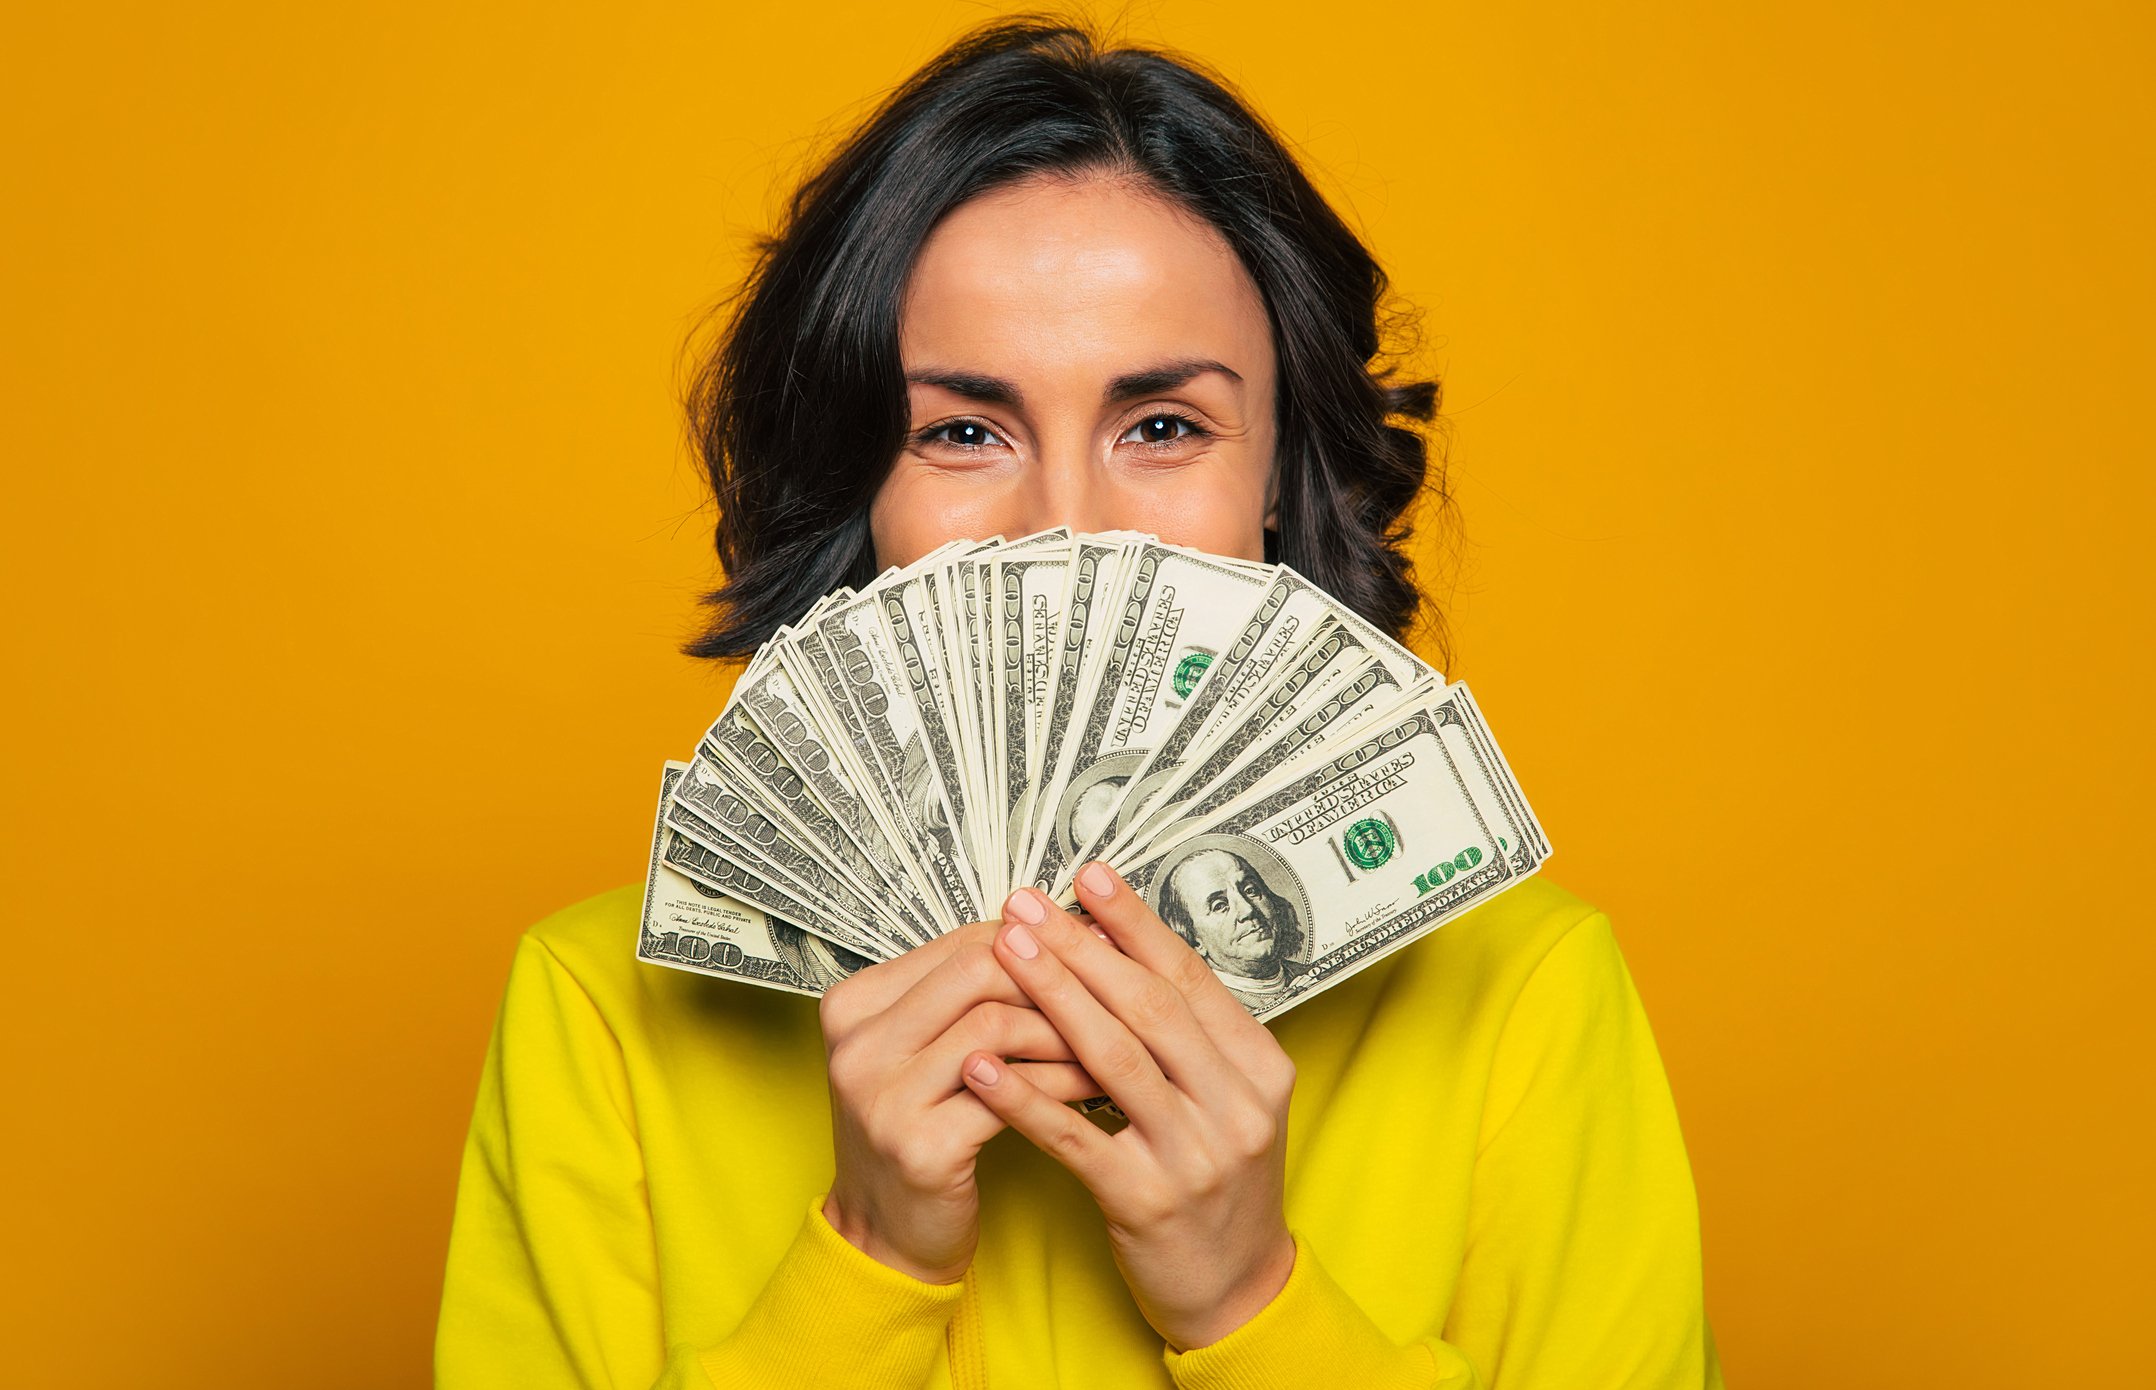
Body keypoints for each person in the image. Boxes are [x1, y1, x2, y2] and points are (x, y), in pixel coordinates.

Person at [436, 18, 1724, 1388]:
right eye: (962, 431)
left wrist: (1250, 1300)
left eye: (1162, 426)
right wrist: (865, 1261)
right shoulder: (603, 1013)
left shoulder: (1519, 995)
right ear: (855, 486)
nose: (1065, 526)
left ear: (1279, 477)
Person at [1153, 844, 1310, 1011]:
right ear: (1194, 941)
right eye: (1220, 906)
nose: (1247, 910)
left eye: (1250, 890)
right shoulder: (1208, 1013)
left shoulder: (1312, 974)